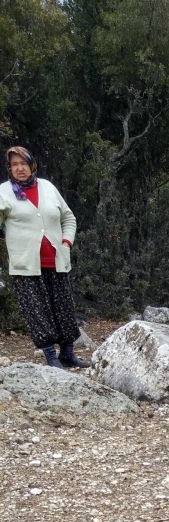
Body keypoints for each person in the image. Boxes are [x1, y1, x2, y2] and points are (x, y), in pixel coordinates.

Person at [0, 147, 88, 370]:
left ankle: (68, 354)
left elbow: (68, 217)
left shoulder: (47, 187)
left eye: (23, 163)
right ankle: (51, 357)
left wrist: (67, 242)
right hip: (26, 266)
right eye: (14, 165)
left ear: (32, 165)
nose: (19, 168)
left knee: (64, 309)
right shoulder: (5, 192)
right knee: (37, 311)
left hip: (56, 261)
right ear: (9, 169)